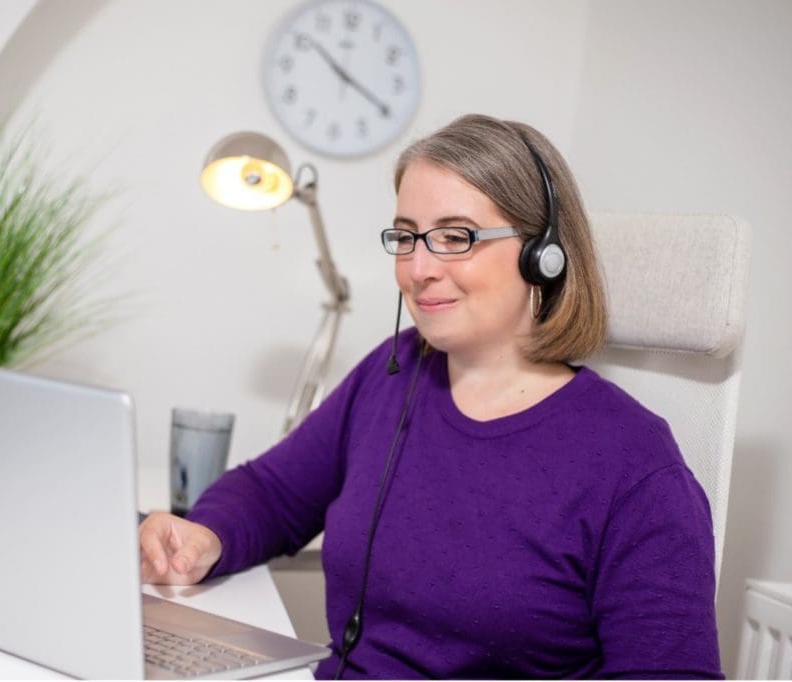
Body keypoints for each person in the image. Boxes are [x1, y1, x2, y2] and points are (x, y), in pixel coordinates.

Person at [139, 114, 723, 679]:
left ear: (542, 255)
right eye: (406, 236)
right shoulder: (392, 372)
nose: (417, 269)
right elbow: (274, 491)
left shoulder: (634, 464)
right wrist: (205, 536)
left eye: (454, 237)